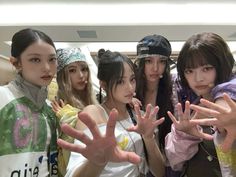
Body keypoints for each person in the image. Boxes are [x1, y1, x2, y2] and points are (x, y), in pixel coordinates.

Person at [57, 50, 166, 177]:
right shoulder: (93, 114)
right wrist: (97, 162)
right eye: (120, 81)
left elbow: (160, 172)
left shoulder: (139, 116)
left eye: (132, 79)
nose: (130, 88)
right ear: (103, 84)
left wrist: (149, 138)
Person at [165, 32, 235, 177]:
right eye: (189, 71)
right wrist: (184, 134)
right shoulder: (192, 110)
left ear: (221, 66)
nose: (198, 78)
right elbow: (175, 162)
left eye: (206, 68)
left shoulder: (229, 101)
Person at [0, 28, 59, 176]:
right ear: (16, 63)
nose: (47, 68)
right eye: (35, 59)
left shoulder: (49, 109)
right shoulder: (3, 98)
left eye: (52, 59)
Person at [51, 47, 98, 175]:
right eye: (72, 70)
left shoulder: (92, 103)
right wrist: (70, 118)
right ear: (63, 76)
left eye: (84, 69)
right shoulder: (59, 106)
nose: (81, 75)